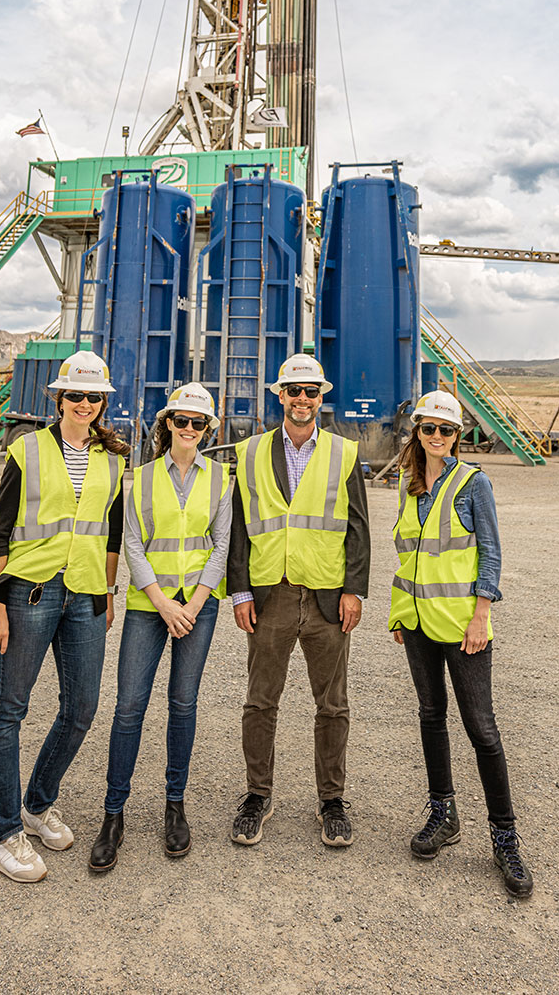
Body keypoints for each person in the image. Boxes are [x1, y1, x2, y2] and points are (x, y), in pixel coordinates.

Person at [0, 350, 129, 883]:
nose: (85, 404)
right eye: (76, 395)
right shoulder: (27, 450)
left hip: (86, 595)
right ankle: (2, 834)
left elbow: (110, 534)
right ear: (59, 399)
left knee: (82, 708)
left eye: (94, 397)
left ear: (102, 402)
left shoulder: (114, 461)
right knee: (9, 711)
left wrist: (108, 591)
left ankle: (37, 804)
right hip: (29, 593)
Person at [390, 389, 533, 899]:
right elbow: (409, 558)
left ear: (457, 435)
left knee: (482, 728)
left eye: (445, 430)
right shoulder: (410, 487)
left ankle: (505, 837)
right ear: (418, 433)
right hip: (419, 624)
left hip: (464, 627)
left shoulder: (475, 483)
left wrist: (481, 615)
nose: (436, 437)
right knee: (431, 716)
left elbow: (491, 553)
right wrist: (399, 615)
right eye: (428, 428)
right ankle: (443, 813)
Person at [228, 353, 370, 849]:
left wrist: (354, 590)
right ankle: (256, 796)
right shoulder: (249, 454)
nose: (303, 399)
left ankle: (332, 801)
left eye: (311, 391)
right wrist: (241, 590)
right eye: (294, 391)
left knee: (332, 704)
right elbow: (240, 530)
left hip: (328, 597)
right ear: (280, 395)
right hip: (272, 596)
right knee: (260, 701)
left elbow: (358, 528)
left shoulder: (344, 453)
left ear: (320, 397)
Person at [89, 383, 231, 873]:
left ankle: (175, 805)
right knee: (129, 707)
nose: (188, 429)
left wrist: (191, 603)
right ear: (167, 423)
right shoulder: (142, 477)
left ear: (207, 429)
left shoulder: (221, 478)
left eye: (198, 423)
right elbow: (131, 543)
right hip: (149, 607)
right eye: (181, 421)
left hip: (196, 606)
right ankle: (113, 815)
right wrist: (162, 603)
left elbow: (222, 544)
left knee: (182, 704)